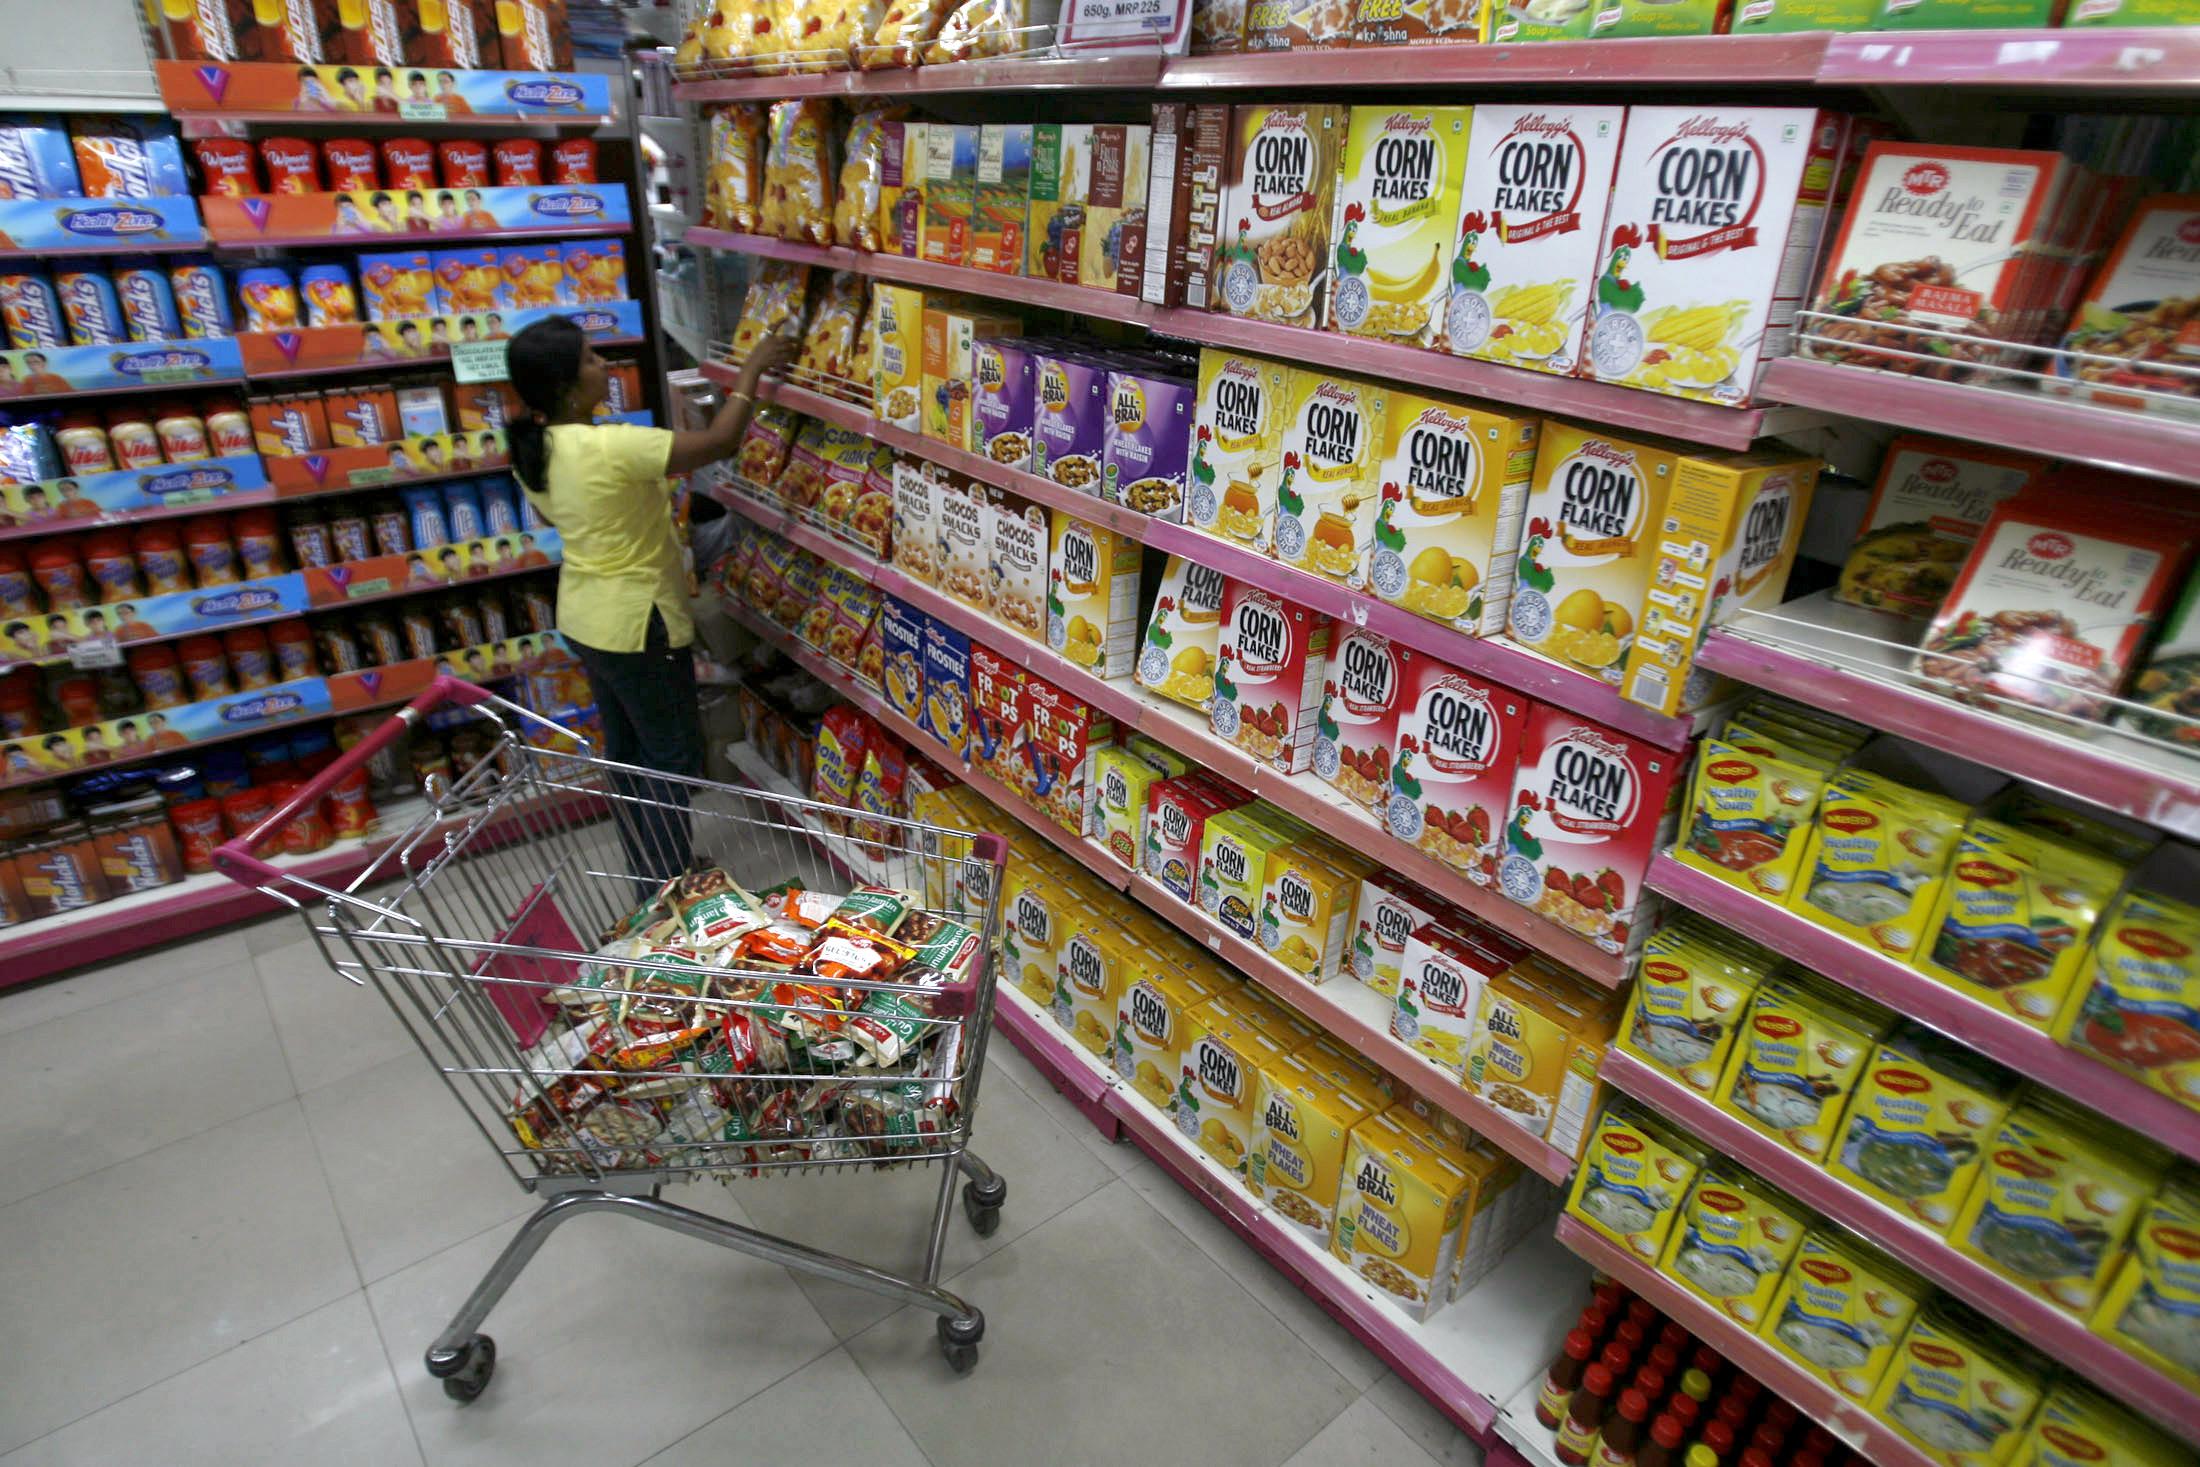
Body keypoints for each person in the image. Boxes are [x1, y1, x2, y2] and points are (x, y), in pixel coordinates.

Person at [504, 314, 792, 881]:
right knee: (670, 759)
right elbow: (720, 441)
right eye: (590, 358)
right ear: (566, 384)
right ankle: (670, 883)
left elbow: (550, 513)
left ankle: (651, 872)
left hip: (587, 619)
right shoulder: (610, 446)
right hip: (639, 623)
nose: (604, 364)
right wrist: (753, 367)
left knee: (628, 758)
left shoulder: (534, 447)